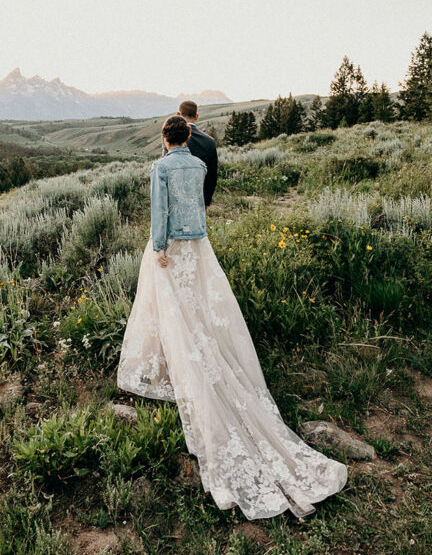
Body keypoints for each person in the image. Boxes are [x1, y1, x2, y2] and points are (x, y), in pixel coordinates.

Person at [117, 114, 347, 519]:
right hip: (200, 246)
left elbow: (160, 211)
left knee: (170, 310)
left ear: (164, 139)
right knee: (200, 309)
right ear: (189, 135)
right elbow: (200, 205)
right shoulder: (200, 165)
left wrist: (157, 249)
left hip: (172, 245)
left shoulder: (161, 167)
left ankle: (174, 360)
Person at [162, 100, 218, 207]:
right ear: (196, 116)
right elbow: (212, 176)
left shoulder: (171, 137)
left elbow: (166, 167)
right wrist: (205, 203)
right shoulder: (209, 141)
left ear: (178, 114)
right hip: (198, 199)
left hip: (174, 200)